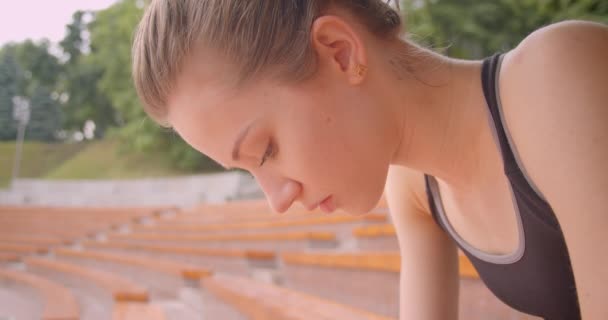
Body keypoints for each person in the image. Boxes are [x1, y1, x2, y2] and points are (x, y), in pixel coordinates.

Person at [131, 1, 607, 319]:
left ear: (340, 52)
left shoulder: (558, 75)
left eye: (265, 150)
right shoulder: (416, 189)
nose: (277, 199)